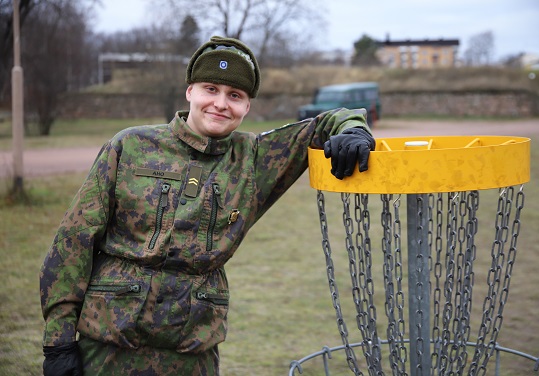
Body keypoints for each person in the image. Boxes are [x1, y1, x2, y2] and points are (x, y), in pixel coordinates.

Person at [40, 35, 375, 375]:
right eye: (210, 89)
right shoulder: (130, 145)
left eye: (235, 96)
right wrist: (59, 343)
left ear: (247, 107)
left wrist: (354, 130)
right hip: (109, 345)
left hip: (190, 353)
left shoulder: (253, 161)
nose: (221, 104)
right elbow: (74, 240)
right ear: (190, 91)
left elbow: (328, 122)